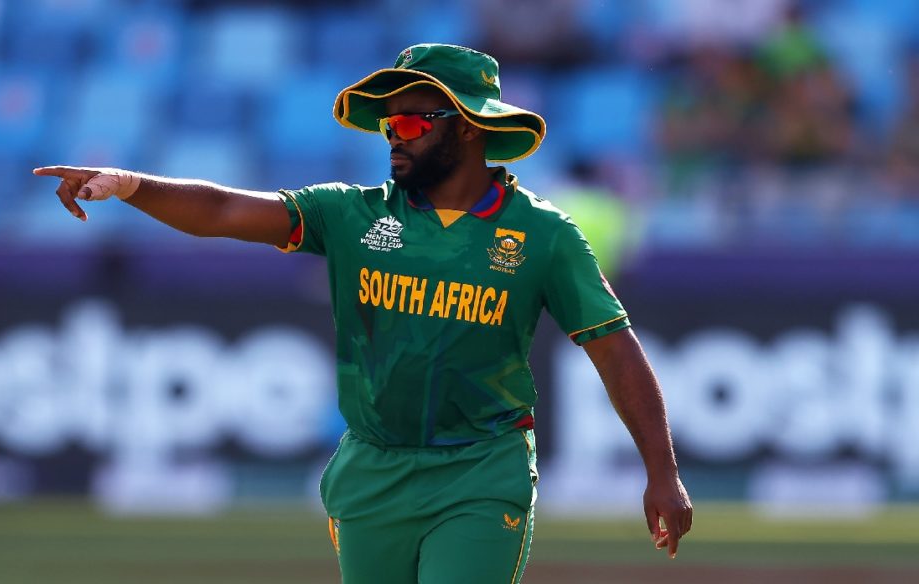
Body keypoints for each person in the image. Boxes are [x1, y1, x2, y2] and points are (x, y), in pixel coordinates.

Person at [35, 43, 692, 584]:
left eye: (411, 124)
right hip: (371, 472)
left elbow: (614, 348)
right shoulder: (351, 214)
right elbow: (223, 210)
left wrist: (662, 473)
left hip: (481, 470)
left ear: (468, 126)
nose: (392, 139)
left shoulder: (545, 236)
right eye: (388, 125)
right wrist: (130, 184)